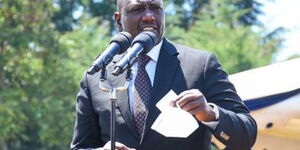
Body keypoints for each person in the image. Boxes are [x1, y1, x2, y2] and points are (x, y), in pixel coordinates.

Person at [70, 0, 257, 150]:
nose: (149, 16)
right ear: (119, 20)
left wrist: (209, 113)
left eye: (155, 8)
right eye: (137, 9)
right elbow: (80, 147)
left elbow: (247, 134)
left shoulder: (200, 65)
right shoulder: (98, 75)